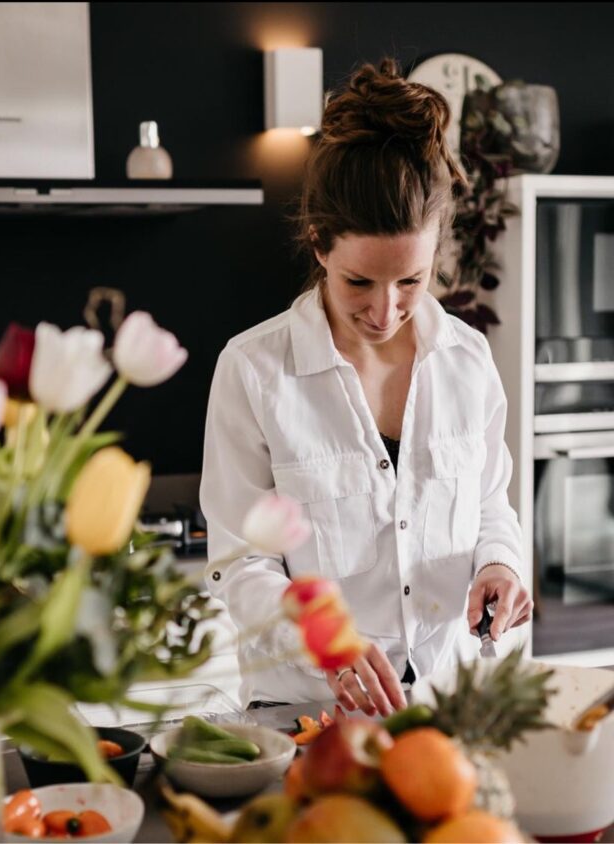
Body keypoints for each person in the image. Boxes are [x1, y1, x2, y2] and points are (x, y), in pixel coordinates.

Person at [199, 58, 532, 715]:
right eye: (360, 283)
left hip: (450, 706)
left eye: (411, 280)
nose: (386, 311)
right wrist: (320, 634)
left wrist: (501, 566)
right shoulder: (253, 371)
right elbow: (238, 566)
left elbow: (490, 503)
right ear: (320, 244)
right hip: (309, 715)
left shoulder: (467, 360)